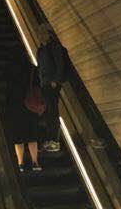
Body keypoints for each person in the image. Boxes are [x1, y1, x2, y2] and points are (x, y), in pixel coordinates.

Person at [4, 52, 43, 172]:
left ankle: (20, 163)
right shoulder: (32, 69)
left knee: (18, 137)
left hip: (15, 105)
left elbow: (8, 87)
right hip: (30, 106)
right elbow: (38, 85)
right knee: (32, 136)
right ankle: (35, 162)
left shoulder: (10, 70)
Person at [36, 24, 69, 152]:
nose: (40, 35)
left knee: (52, 111)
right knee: (49, 112)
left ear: (49, 34)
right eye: (39, 33)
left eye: (43, 33)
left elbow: (60, 64)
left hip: (51, 84)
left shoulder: (54, 47)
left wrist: (56, 80)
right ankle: (50, 139)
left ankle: (54, 140)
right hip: (44, 84)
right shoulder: (40, 50)